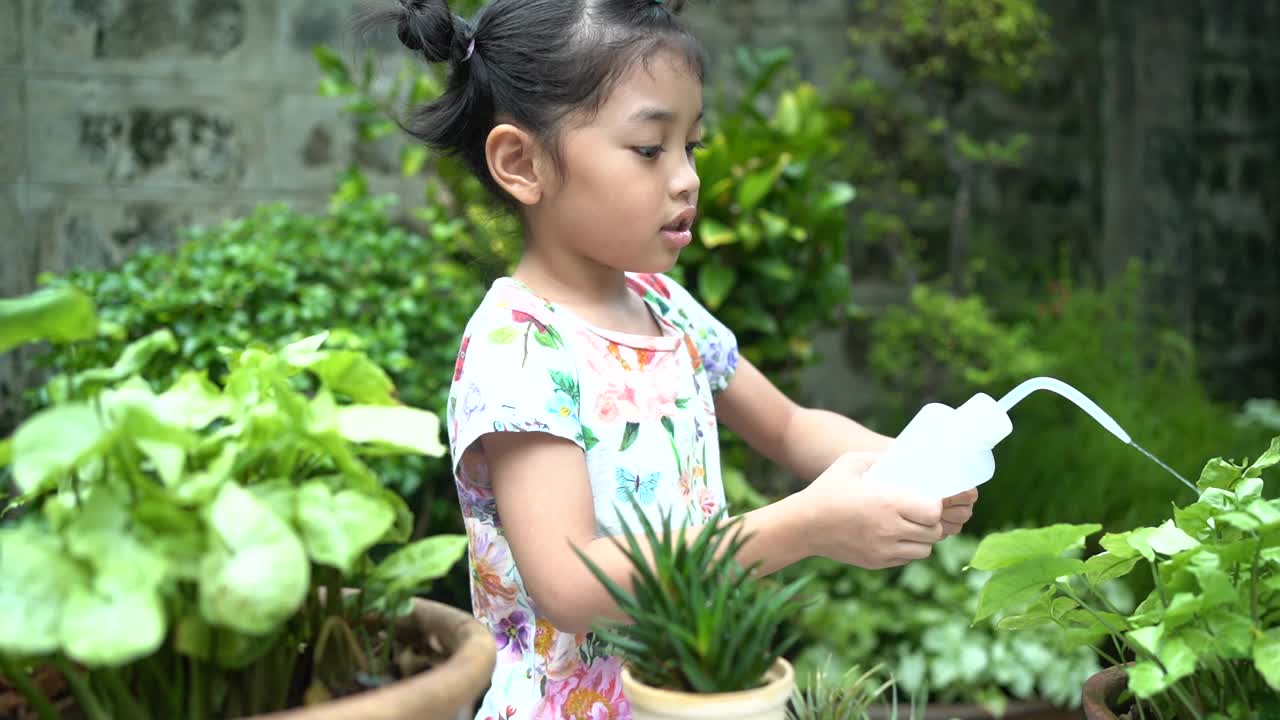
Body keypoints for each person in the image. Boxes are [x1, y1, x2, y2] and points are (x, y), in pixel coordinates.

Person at [362, 1, 979, 717]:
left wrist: (911, 466)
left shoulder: (665, 306)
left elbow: (787, 427)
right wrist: (806, 526)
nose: (686, 178)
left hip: (691, 692)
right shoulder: (520, 349)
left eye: (693, 147)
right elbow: (572, 582)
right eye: (651, 149)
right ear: (520, 162)